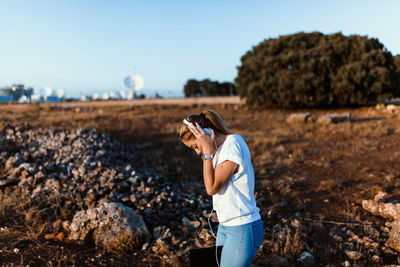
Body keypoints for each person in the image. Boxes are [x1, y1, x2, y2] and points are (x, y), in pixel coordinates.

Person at [180, 110, 263, 267]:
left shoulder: (233, 144)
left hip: (242, 228)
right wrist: (208, 152)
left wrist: (207, 154)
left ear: (205, 134)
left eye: (196, 146)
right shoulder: (218, 150)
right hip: (226, 226)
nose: (198, 152)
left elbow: (211, 188)